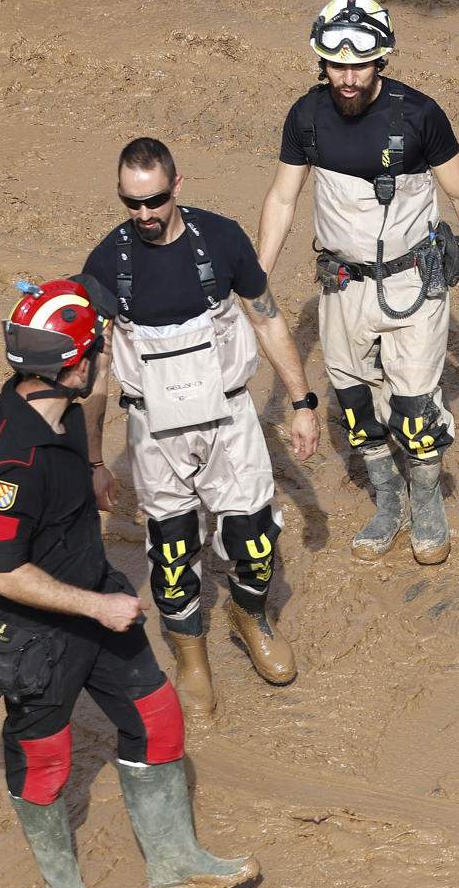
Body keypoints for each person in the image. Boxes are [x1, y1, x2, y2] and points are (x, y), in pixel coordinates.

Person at [0, 278, 258, 888]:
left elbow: (89, 400)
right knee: (44, 760)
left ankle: (175, 862)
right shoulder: (12, 464)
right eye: (96, 352)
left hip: (93, 594)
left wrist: (95, 463)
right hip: (39, 630)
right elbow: (0, 571)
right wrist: (95, 607)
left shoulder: (57, 404)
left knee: (157, 718)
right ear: (69, 365)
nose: (103, 360)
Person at [258, 0, 459, 566]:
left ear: (382, 60)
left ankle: (426, 502)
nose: (347, 77)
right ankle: (387, 502)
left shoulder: (419, 115)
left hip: (413, 286)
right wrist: (257, 274)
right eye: (337, 64)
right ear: (321, 61)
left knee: (416, 411)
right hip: (342, 288)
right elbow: (282, 197)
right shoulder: (306, 115)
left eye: (359, 64)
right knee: (356, 408)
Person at [80, 138, 319, 715]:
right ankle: (191, 656)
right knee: (172, 551)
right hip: (154, 433)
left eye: (155, 200)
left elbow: (266, 319)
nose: (143, 214)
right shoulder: (108, 264)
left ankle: (251, 616)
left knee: (255, 540)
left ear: (177, 186)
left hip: (230, 419)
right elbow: (98, 369)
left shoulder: (222, 239)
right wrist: (91, 461)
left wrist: (302, 401)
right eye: (131, 202)